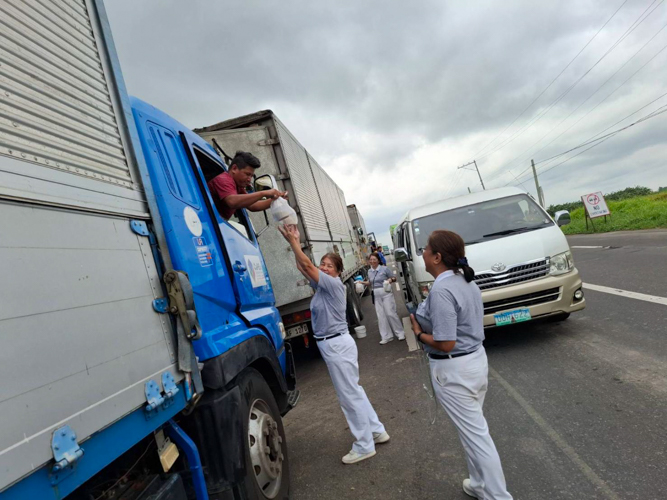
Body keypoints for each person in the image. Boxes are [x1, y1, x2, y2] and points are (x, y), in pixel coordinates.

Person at [410, 230, 512, 500]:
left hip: (455, 371)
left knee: (478, 437)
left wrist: (418, 334)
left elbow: (445, 342)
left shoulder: (443, 289)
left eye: (426, 249)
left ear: (437, 257)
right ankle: (479, 484)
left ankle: (498, 496)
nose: (423, 253)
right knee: (473, 432)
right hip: (474, 362)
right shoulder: (464, 281)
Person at [278, 224, 389, 464]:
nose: (324, 268)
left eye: (330, 266)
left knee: (348, 396)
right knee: (354, 391)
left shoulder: (333, 284)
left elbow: (307, 265)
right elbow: (303, 266)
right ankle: (377, 431)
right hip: (335, 345)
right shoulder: (321, 285)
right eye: (323, 264)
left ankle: (363, 445)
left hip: (336, 345)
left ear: (338, 272)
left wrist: (295, 241)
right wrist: (293, 243)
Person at [207, 151, 287, 220]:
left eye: (251, 176)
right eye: (247, 174)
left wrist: (276, 200)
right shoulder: (224, 179)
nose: (249, 179)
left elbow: (252, 206)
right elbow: (232, 202)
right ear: (234, 168)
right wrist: (264, 193)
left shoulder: (238, 186)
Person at [361, 253, 405, 344]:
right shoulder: (369, 271)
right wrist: (362, 282)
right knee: (381, 316)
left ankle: (400, 333)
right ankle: (386, 336)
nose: (372, 261)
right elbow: (370, 282)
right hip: (376, 296)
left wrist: (390, 280)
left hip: (386, 293)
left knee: (390, 313)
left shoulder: (384, 269)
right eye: (371, 259)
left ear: (378, 260)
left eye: (374, 259)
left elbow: (394, 278)